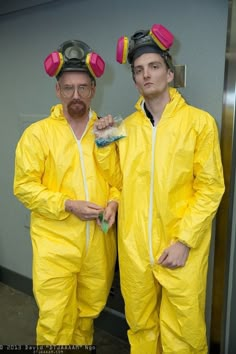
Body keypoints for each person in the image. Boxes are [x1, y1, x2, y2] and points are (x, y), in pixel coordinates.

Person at [94, 24, 225, 354]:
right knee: (140, 326)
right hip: (135, 249)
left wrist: (184, 240)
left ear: (169, 73)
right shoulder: (126, 127)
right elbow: (117, 182)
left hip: (180, 248)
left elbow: (210, 188)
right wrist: (103, 142)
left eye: (153, 67)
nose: (145, 75)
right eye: (138, 71)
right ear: (135, 80)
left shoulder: (199, 123)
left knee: (184, 331)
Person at [13, 39, 119, 345]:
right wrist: (68, 204)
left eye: (83, 87)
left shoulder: (107, 129)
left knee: (88, 315)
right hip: (54, 247)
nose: (76, 95)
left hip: (98, 246)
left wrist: (114, 201)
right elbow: (24, 187)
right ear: (58, 90)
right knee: (55, 322)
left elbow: (120, 180)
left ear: (93, 90)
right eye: (68, 88)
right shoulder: (37, 134)